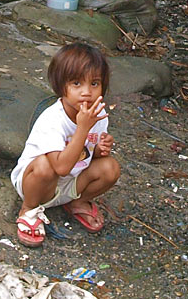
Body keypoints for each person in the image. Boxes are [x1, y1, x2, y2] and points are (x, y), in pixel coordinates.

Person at [10, 43, 121, 247]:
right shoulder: (53, 119)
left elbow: (86, 153)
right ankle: (29, 210)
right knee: (45, 167)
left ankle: (77, 201)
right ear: (62, 87)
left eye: (94, 84)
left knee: (110, 167)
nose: (87, 92)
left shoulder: (97, 116)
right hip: (38, 185)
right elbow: (60, 167)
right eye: (77, 83)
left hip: (71, 182)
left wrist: (100, 149)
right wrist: (82, 128)